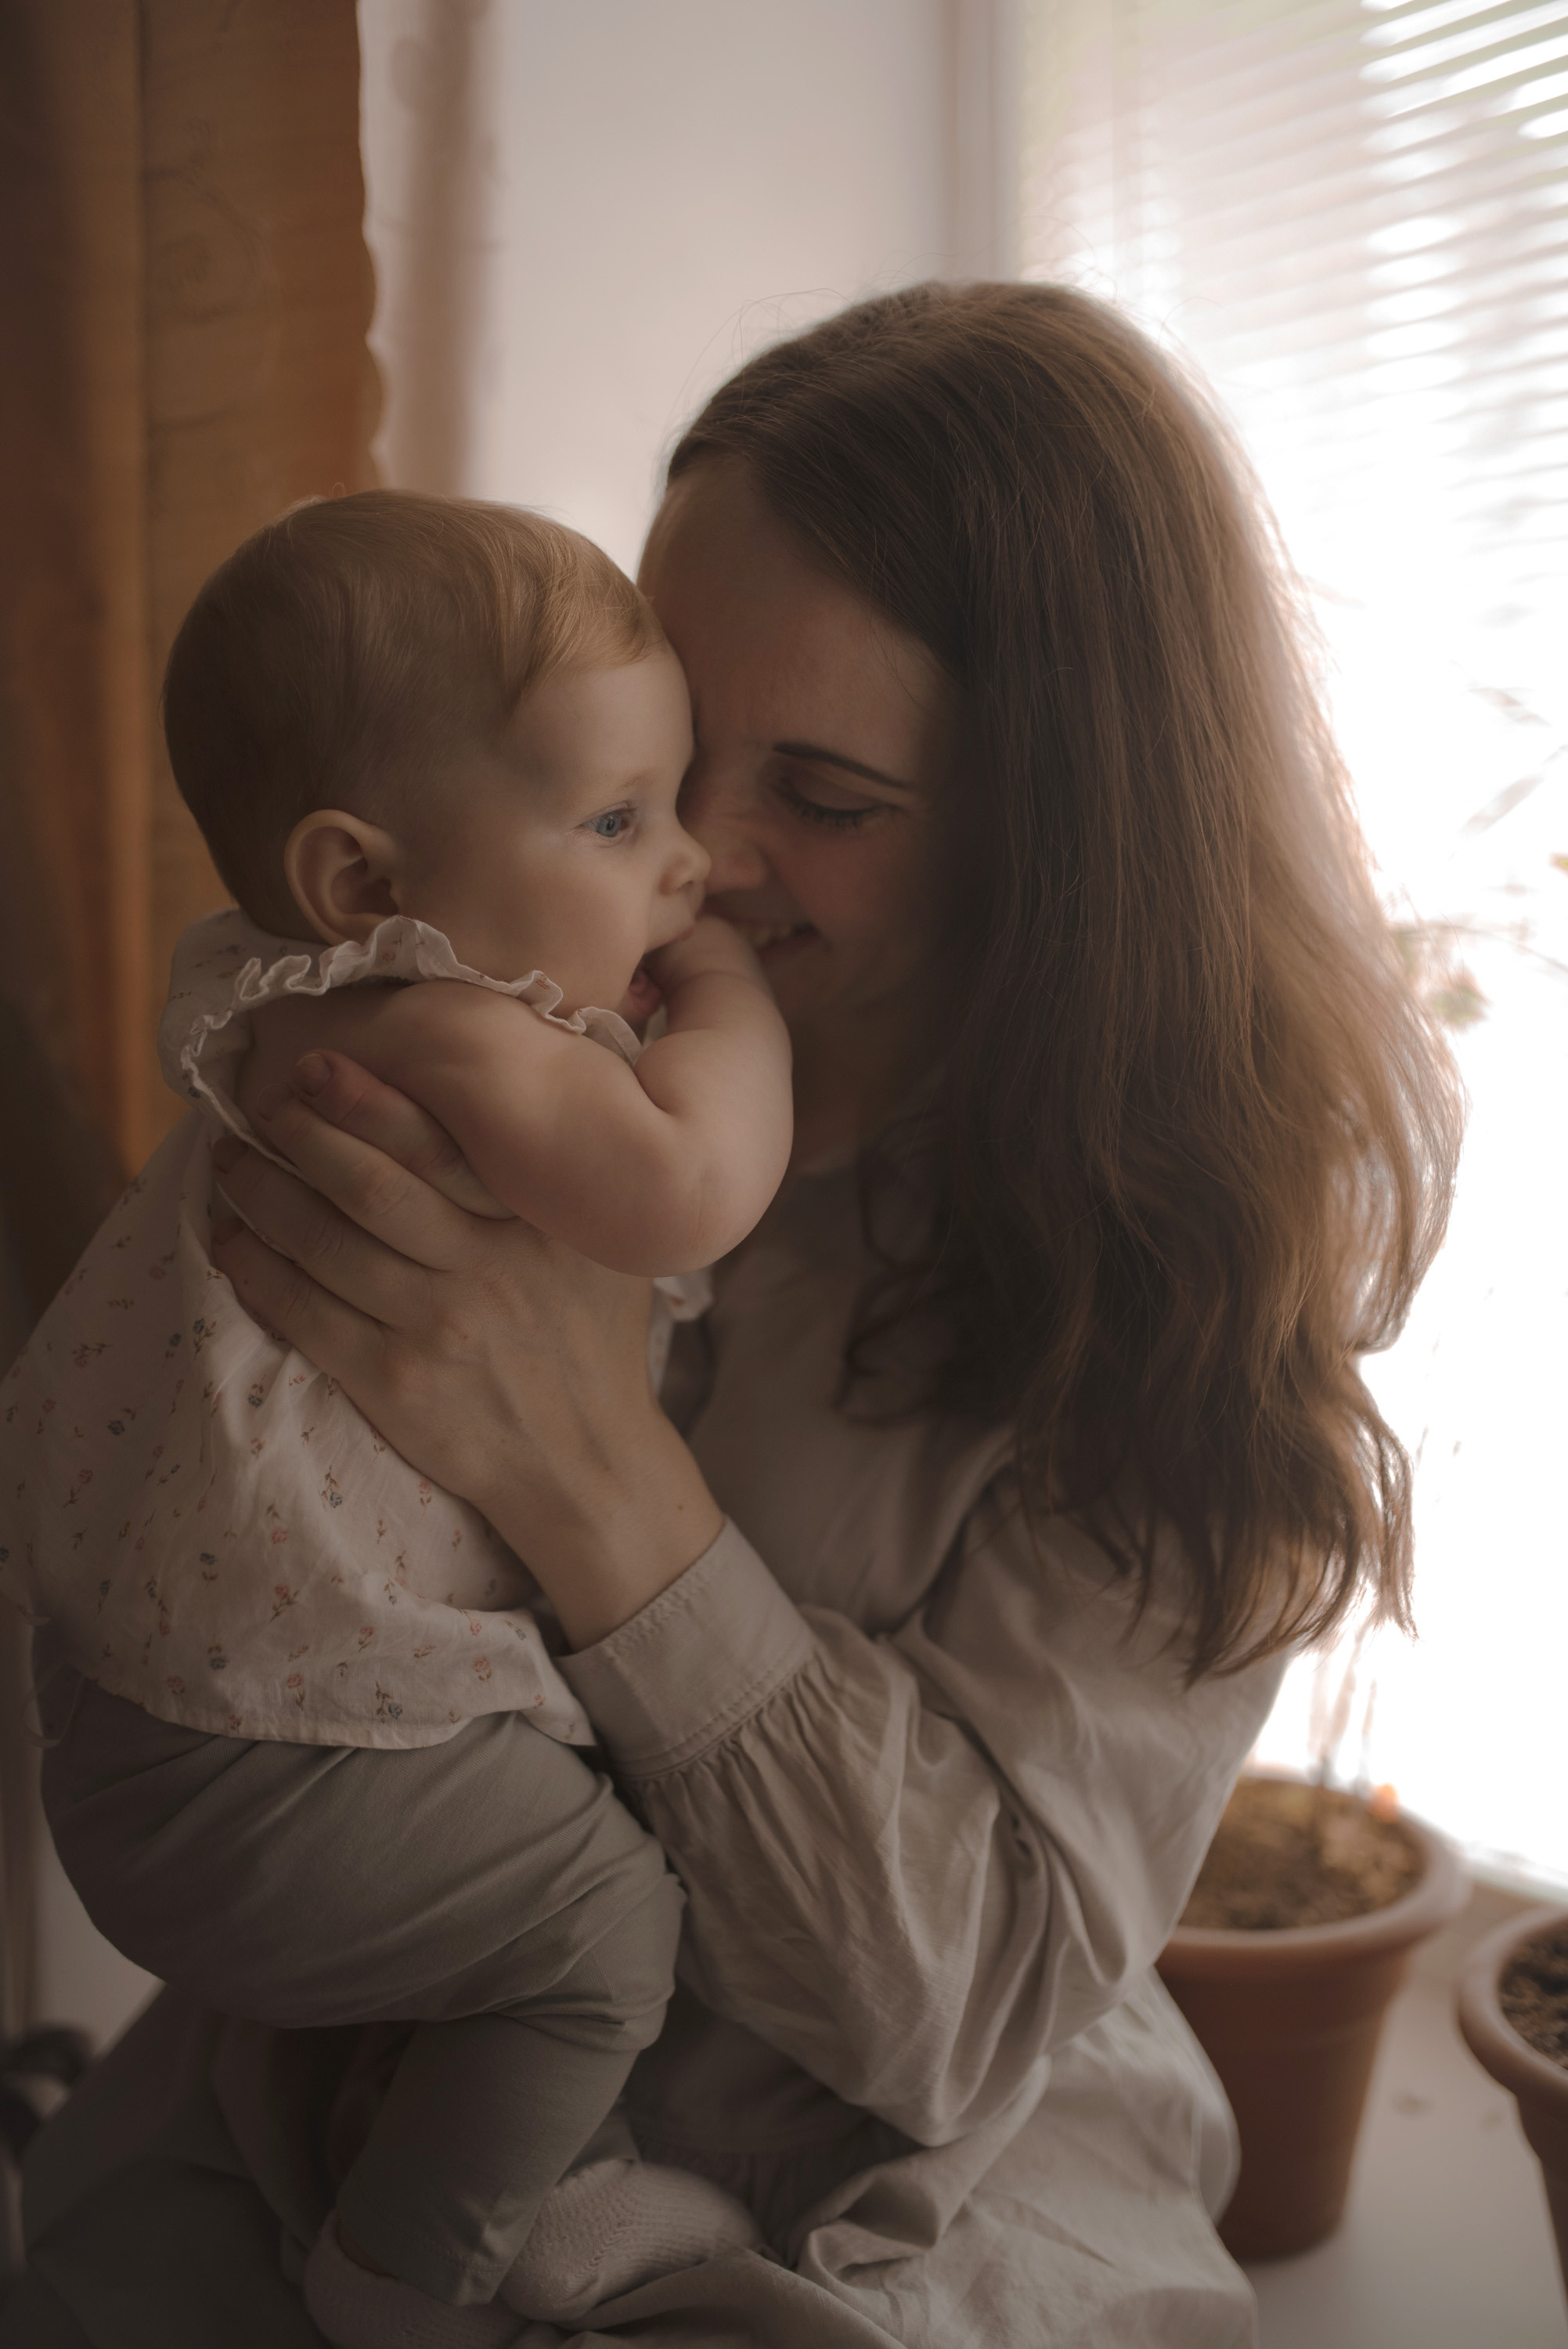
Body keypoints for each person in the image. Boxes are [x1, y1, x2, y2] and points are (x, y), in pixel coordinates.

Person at [3, 281, 1461, 2349]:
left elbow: (952, 2011)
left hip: (898, 2162)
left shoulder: (1189, 1250)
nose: (698, 864)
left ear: (1066, 833)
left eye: (829, 799)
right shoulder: (524, 1037)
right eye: (674, 751)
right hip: (395, 2040)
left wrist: (595, 1479)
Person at [1, 496, 791, 2342]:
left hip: (155, 1727)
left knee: (523, 1877)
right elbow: (689, 1188)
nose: (686, 870)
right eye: (619, 820)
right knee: (610, 1932)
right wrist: (735, 1001)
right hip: (260, 1760)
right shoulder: (442, 1028)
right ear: (364, 884)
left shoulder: (299, 1000)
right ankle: (403, 2279)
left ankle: (386, 2141)